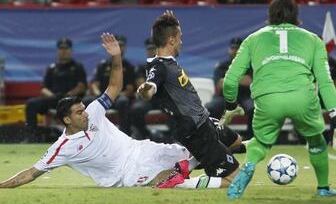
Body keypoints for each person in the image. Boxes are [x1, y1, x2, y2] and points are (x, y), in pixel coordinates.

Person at [0, 34, 242, 189]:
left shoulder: (94, 111)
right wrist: (2, 185)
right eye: (78, 113)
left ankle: (243, 150)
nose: (85, 113)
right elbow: (31, 173)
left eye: (83, 109)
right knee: (176, 176)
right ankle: (186, 179)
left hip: (143, 150)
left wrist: (116, 59)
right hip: (128, 173)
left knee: (203, 143)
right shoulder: (62, 148)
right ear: (66, 120)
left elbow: (114, 86)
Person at [221, 0, 336, 199]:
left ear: (270, 16)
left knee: (261, 143)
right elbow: (326, 82)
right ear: (296, 16)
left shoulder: (253, 39)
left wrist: (231, 105)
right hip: (302, 97)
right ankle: (323, 188)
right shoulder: (313, 39)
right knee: (316, 140)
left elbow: (230, 80)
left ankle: (247, 169)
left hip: (268, 98)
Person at [137, 11, 241, 189]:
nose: (181, 42)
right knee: (234, 179)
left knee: (235, 141)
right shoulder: (159, 66)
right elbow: (150, 89)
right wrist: (146, 89)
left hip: (203, 121)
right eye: (180, 37)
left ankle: (187, 165)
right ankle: (180, 183)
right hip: (195, 130)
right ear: (171, 40)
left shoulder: (167, 62)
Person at [25, 38, 87, 141]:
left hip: (71, 100)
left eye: (66, 48)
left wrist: (68, 96)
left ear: (71, 50)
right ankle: (32, 137)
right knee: (31, 103)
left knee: (86, 103)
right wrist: (51, 96)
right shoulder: (52, 67)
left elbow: (82, 86)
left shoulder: (77, 67)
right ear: (58, 51)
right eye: (61, 48)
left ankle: (85, 137)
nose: (64, 51)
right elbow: (44, 88)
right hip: (54, 98)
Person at [84, 35, 135, 135]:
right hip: (103, 97)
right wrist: (99, 94)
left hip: (118, 97)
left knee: (123, 101)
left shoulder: (129, 66)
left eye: (122, 46)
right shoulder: (102, 65)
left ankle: (124, 133)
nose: (119, 48)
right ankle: (89, 132)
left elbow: (130, 88)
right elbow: (95, 84)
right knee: (87, 100)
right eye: (117, 45)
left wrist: (116, 95)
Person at [206, 37, 254, 139]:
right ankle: (213, 136)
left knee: (253, 108)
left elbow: (249, 81)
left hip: (244, 97)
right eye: (233, 48)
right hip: (224, 97)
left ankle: (250, 138)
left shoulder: (249, 65)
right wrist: (239, 79)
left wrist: (228, 79)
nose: (235, 51)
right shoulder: (222, 65)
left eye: (238, 48)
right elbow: (219, 84)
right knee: (211, 107)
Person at [130, 38, 161, 140]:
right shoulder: (141, 68)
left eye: (153, 49)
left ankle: (173, 135)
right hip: (147, 98)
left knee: (176, 106)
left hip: (162, 98)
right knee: (136, 109)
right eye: (149, 49)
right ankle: (143, 134)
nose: (151, 51)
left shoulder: (164, 66)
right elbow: (142, 86)